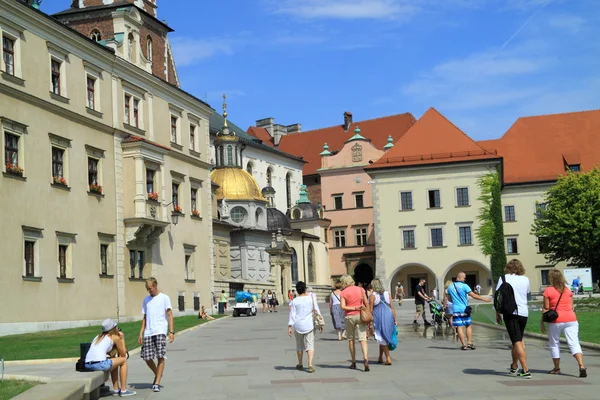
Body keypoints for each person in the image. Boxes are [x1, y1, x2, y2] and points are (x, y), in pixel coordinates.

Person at [541, 269, 587, 377]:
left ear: (551, 278)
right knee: (574, 343)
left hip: (555, 320)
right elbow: (571, 306)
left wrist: (542, 321)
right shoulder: (568, 290)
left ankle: (557, 368)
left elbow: (546, 308)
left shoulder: (548, 290)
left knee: (554, 344)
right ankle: (581, 365)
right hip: (571, 319)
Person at [495, 259, 531, 379]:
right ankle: (514, 366)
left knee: (517, 341)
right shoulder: (525, 279)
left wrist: (497, 312)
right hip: (523, 313)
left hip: (510, 313)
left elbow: (498, 297)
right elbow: (527, 294)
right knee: (517, 340)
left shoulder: (504, 278)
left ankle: (525, 369)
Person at [138, 277, 174, 393]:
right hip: (149, 331)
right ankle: (158, 374)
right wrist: (141, 333)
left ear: (155, 285)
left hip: (160, 331)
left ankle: (157, 382)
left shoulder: (164, 298)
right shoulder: (146, 300)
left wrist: (171, 332)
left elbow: (169, 315)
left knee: (160, 356)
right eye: (148, 289)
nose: (149, 291)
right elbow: (144, 317)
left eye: (150, 288)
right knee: (146, 357)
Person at [85, 319, 136, 397]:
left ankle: (116, 389)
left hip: (88, 364)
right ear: (114, 328)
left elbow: (108, 353)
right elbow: (123, 354)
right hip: (100, 364)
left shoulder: (98, 337)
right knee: (124, 361)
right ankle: (123, 390)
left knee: (113, 361)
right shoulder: (114, 337)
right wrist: (122, 339)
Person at [447, 272, 491, 351]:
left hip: (456, 309)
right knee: (468, 325)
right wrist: (484, 299)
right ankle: (470, 343)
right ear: (460, 277)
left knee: (459, 327)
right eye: (464, 278)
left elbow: (449, 299)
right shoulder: (465, 286)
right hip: (464, 309)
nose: (464, 279)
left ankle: (464, 345)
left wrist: (455, 301)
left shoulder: (450, 287)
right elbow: (473, 295)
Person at [288, 281, 323, 373]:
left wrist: (290, 326)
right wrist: (320, 323)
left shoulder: (294, 301)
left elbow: (292, 314)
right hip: (309, 324)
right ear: (305, 289)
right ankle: (310, 364)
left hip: (298, 325)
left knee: (299, 345)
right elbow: (316, 310)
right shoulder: (311, 298)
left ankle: (300, 363)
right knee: (310, 344)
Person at [340, 274, 370, 372]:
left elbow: (343, 307)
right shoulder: (361, 289)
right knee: (363, 339)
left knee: (351, 339)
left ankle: (353, 362)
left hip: (349, 317)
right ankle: (365, 359)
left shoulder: (343, 292)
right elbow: (366, 303)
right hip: (361, 315)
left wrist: (353, 308)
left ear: (344, 282)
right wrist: (367, 313)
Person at [369, 279, 397, 365]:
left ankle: (388, 358)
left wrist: (369, 322)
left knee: (380, 337)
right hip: (388, 315)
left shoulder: (372, 295)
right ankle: (380, 357)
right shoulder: (387, 293)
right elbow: (392, 307)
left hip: (379, 317)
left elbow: (370, 310)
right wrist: (395, 319)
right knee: (383, 337)